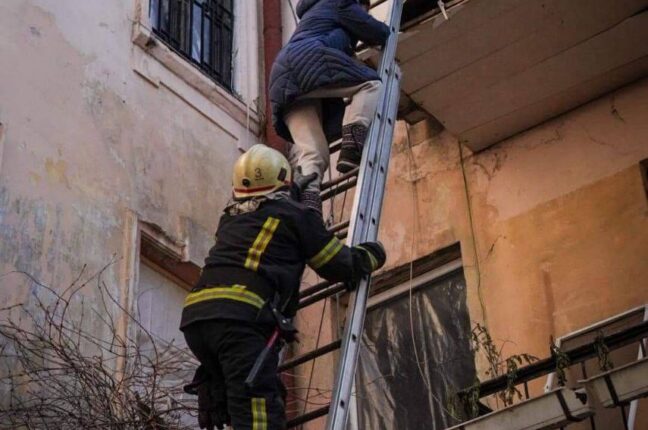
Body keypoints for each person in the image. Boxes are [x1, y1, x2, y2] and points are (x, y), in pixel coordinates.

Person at [180, 144, 387, 430]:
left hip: (198, 320)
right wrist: (371, 255)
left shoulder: (230, 220)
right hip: (241, 319)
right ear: (284, 181)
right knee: (257, 402)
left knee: (237, 393)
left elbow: (268, 227)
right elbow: (334, 263)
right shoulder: (296, 215)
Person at [269, 0, 390, 213]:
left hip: (282, 81)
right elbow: (376, 31)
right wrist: (389, 32)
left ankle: (308, 208)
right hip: (306, 61)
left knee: (314, 151)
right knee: (371, 85)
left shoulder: (313, 15)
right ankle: (352, 148)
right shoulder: (341, 2)